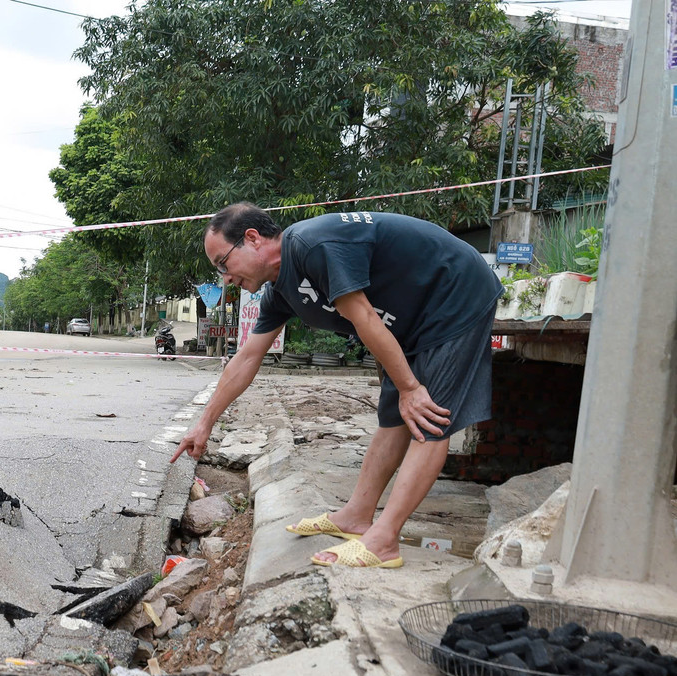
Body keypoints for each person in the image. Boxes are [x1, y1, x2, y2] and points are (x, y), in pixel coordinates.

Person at [171, 203, 502, 569]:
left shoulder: (313, 246)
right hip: (412, 321)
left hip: (455, 294)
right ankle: (357, 516)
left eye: (223, 264)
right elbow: (247, 357)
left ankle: (385, 539)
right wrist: (204, 424)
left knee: (429, 417)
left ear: (252, 239)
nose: (225, 278)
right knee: (394, 417)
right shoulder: (280, 291)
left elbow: (363, 316)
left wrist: (410, 388)